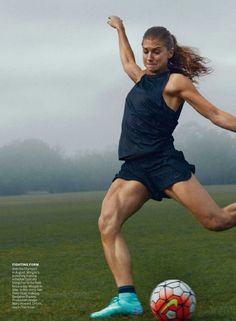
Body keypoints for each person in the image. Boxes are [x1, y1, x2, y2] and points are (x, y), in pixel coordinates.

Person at [90, 16, 236, 319]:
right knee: (107, 223)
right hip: (134, 168)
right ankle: (127, 297)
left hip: (163, 163)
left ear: (170, 52)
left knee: (217, 220)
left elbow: (214, 114)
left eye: (156, 51)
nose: (149, 57)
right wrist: (121, 30)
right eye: (146, 51)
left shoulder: (176, 83)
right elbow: (127, 61)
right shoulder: (141, 78)